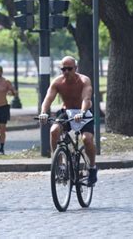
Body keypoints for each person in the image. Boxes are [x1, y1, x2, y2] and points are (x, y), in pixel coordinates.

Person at [38, 56, 98, 186]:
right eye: (63, 69)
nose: (66, 72)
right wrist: (43, 112)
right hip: (67, 112)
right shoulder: (58, 82)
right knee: (54, 131)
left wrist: (82, 113)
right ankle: (58, 163)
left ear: (75, 68)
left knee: (87, 139)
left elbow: (86, 99)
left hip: (84, 112)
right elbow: (48, 99)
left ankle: (92, 168)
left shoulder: (83, 80)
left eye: (69, 69)